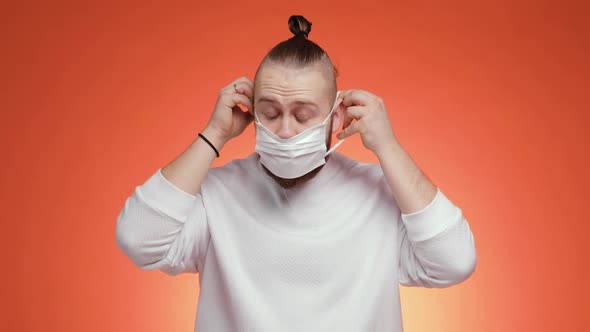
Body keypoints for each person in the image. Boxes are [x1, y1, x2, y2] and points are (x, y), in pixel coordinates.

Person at [115, 15, 477, 332]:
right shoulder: (215, 195)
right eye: (271, 113)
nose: (285, 130)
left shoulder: (379, 195)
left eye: (303, 115)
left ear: (336, 117)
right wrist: (214, 135)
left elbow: (454, 262)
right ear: (252, 111)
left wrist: (389, 147)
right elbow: (138, 238)